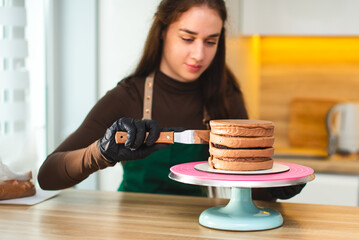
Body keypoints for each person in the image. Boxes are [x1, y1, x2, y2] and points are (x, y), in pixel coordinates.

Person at [38, 0, 305, 200]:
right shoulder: (127, 95)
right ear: (163, 31)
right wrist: (100, 152)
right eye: (187, 38)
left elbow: (246, 182)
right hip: (131, 225)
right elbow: (47, 176)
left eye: (210, 42)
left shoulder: (225, 97)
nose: (199, 54)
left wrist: (272, 185)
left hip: (198, 225)